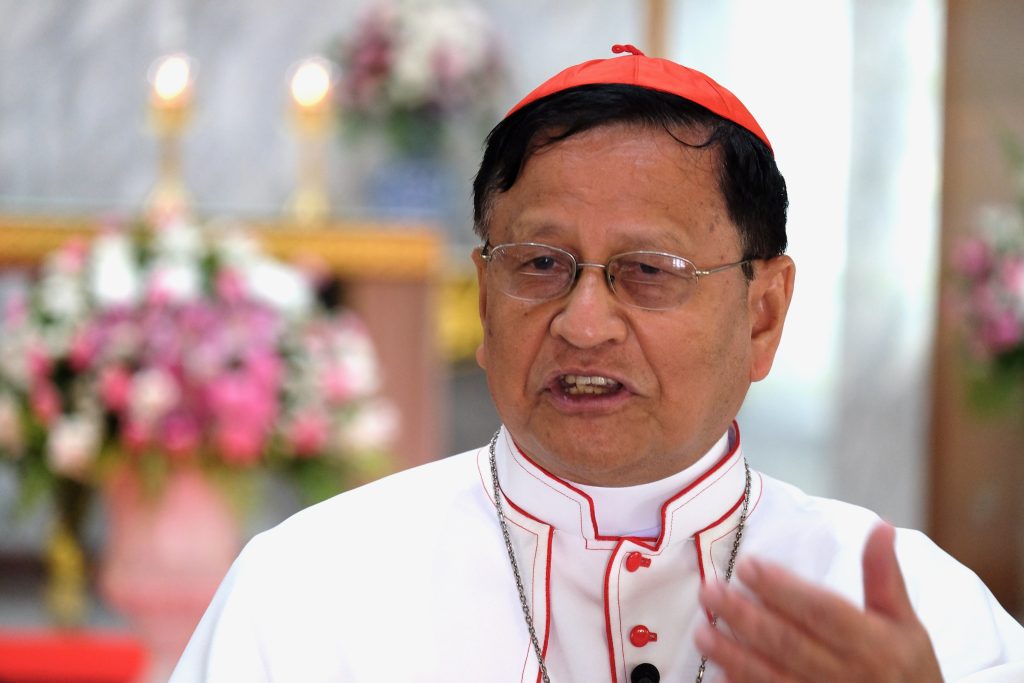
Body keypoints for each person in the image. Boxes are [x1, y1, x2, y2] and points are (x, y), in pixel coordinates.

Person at [171, 45, 1024, 683]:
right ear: (482, 299)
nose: (582, 325)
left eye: (648, 272)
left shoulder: (913, 611)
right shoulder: (309, 589)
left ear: (763, 316)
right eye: (538, 264)